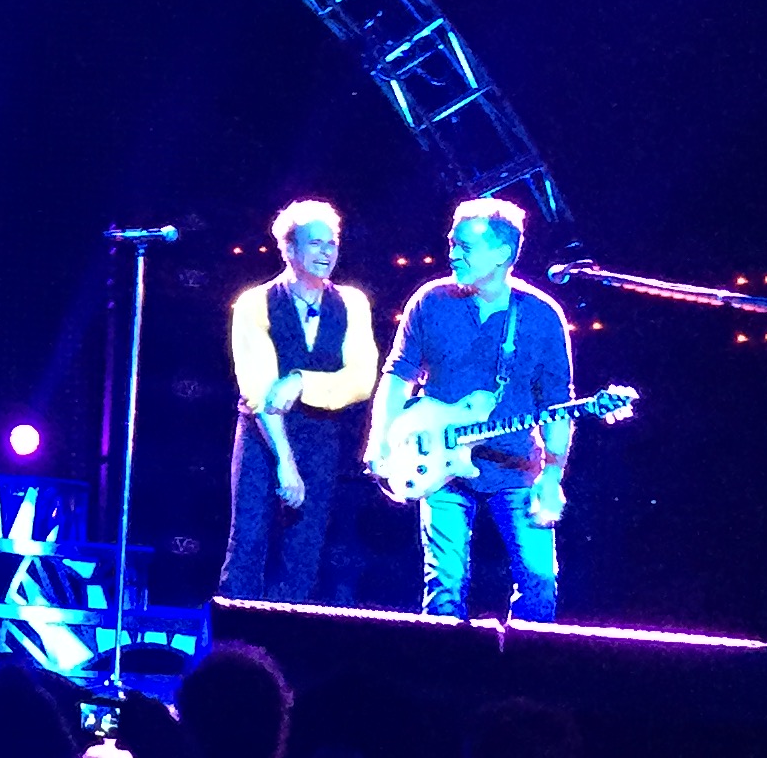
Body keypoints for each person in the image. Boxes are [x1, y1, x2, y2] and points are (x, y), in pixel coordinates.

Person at [368, 197, 575, 623]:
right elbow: (398, 376)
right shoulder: (431, 301)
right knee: (444, 584)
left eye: (465, 246)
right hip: (437, 462)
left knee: (539, 581)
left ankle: (523, 664)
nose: (453, 254)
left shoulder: (541, 316)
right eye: (452, 243)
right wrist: (381, 439)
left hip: (516, 468)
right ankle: (443, 663)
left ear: (502, 254)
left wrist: (552, 476)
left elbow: (557, 405)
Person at [219, 200, 380, 603]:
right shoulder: (255, 303)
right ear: (288, 249)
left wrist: (302, 382)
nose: (326, 252)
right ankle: (235, 633)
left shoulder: (352, 303)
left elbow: (361, 380)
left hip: (320, 435)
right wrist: (285, 462)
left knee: (304, 552)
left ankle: (287, 635)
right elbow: (261, 392)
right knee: (248, 543)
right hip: (263, 437)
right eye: (315, 243)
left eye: (332, 243)